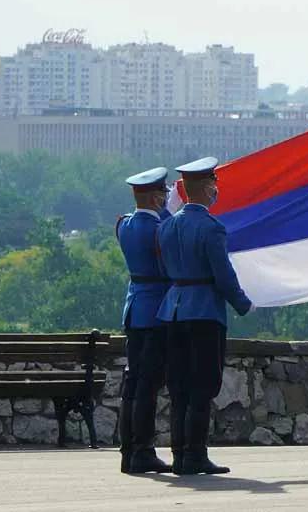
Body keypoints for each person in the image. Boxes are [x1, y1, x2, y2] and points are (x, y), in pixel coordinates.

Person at [156, 157, 252, 475]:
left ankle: (179, 454)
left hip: (173, 311)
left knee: (179, 387)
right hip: (204, 312)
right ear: (207, 187)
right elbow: (223, 276)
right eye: (213, 183)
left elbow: (164, 269)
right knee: (203, 385)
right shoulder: (211, 228)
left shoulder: (166, 226)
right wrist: (243, 304)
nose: (215, 190)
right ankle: (195, 454)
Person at [115, 166, 173, 474]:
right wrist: (168, 211)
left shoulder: (124, 225)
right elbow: (168, 265)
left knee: (133, 384)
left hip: (134, 308)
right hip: (155, 311)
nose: (167, 196)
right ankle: (143, 450)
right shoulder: (160, 230)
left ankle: (128, 450)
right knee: (147, 386)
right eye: (163, 192)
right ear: (155, 197)